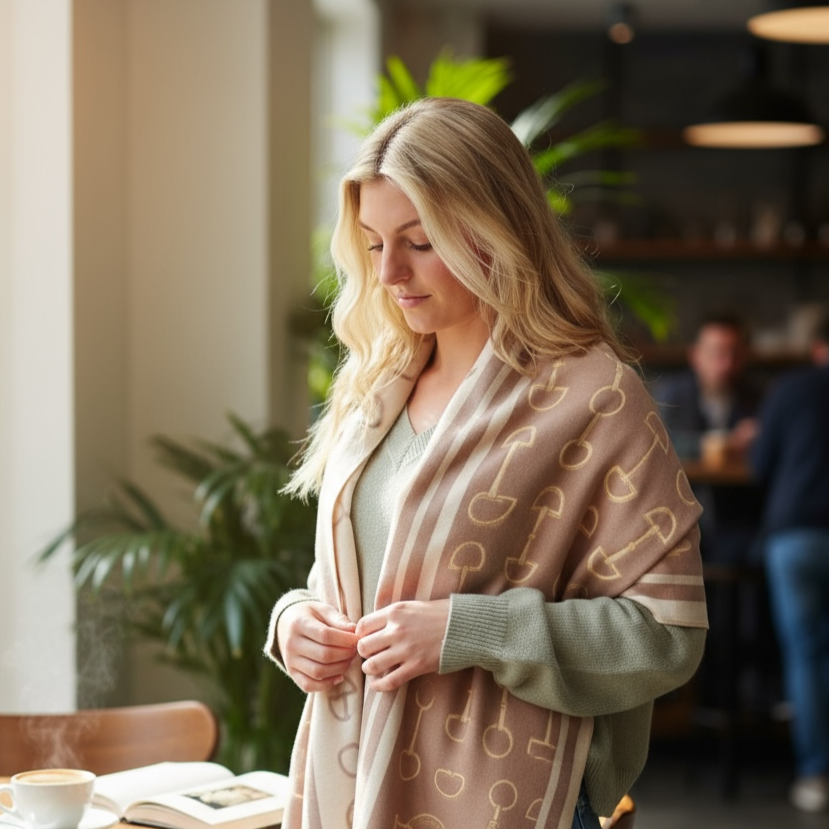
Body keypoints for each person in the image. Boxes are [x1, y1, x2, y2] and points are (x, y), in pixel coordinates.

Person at [264, 97, 707, 829]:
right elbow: (354, 577)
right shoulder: (376, 387)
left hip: (511, 797)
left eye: (420, 240)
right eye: (374, 245)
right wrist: (294, 622)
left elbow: (666, 635)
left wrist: (467, 631)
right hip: (351, 783)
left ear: (493, 231)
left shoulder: (591, 397)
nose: (391, 272)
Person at [751, 315, 829, 814]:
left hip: (796, 536)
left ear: (817, 346)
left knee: (807, 655)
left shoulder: (790, 388)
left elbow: (760, 466)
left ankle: (814, 774)